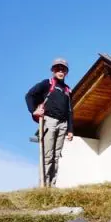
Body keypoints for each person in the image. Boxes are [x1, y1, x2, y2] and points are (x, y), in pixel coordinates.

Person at [25, 58, 74, 187]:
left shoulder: (68, 90)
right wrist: (34, 110)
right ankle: (43, 186)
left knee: (56, 157)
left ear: (66, 72)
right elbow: (29, 95)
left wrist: (70, 129)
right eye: (57, 68)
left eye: (63, 69)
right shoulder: (47, 83)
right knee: (48, 155)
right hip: (49, 121)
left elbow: (70, 111)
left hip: (63, 124)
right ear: (53, 70)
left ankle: (52, 185)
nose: (60, 71)